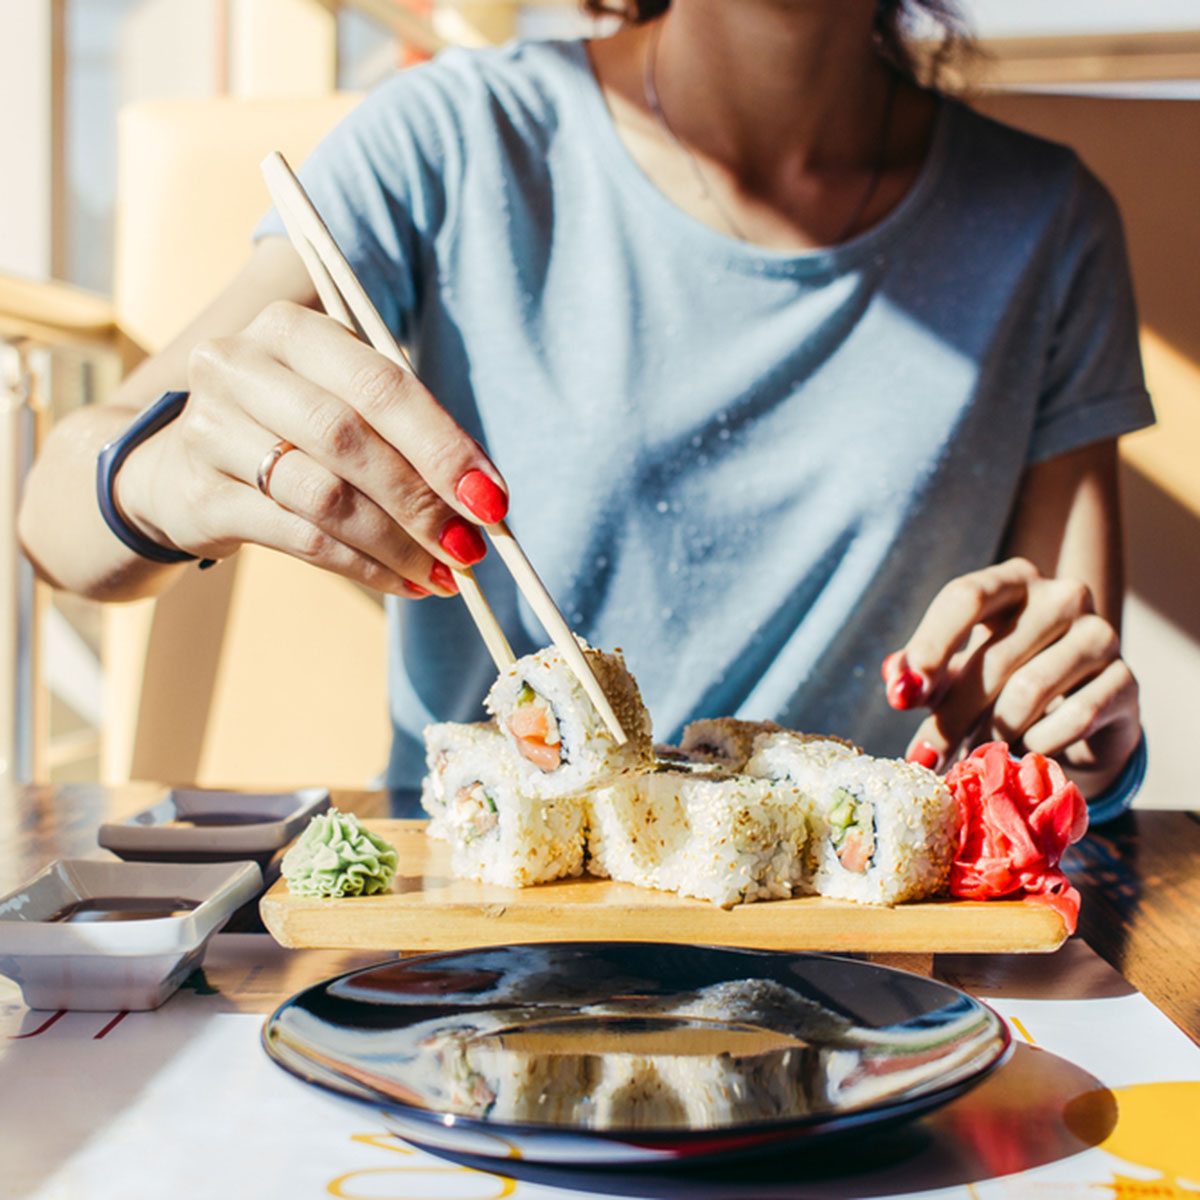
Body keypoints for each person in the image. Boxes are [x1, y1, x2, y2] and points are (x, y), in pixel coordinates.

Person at [18, 0, 1151, 811]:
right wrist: (155, 479)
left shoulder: (1049, 223)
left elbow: (1053, 711)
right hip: (482, 922)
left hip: (853, 948)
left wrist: (1072, 730)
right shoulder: (453, 138)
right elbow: (58, 520)